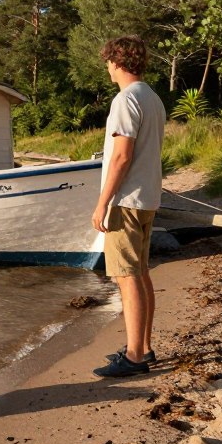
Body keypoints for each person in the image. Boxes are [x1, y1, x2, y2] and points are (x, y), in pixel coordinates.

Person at [91, 35, 166, 378]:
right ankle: (143, 347)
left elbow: (121, 156)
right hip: (147, 198)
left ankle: (135, 355)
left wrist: (102, 203)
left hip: (126, 201)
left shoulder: (125, 100)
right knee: (140, 273)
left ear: (118, 62)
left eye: (108, 61)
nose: (107, 67)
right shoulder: (152, 98)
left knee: (126, 276)